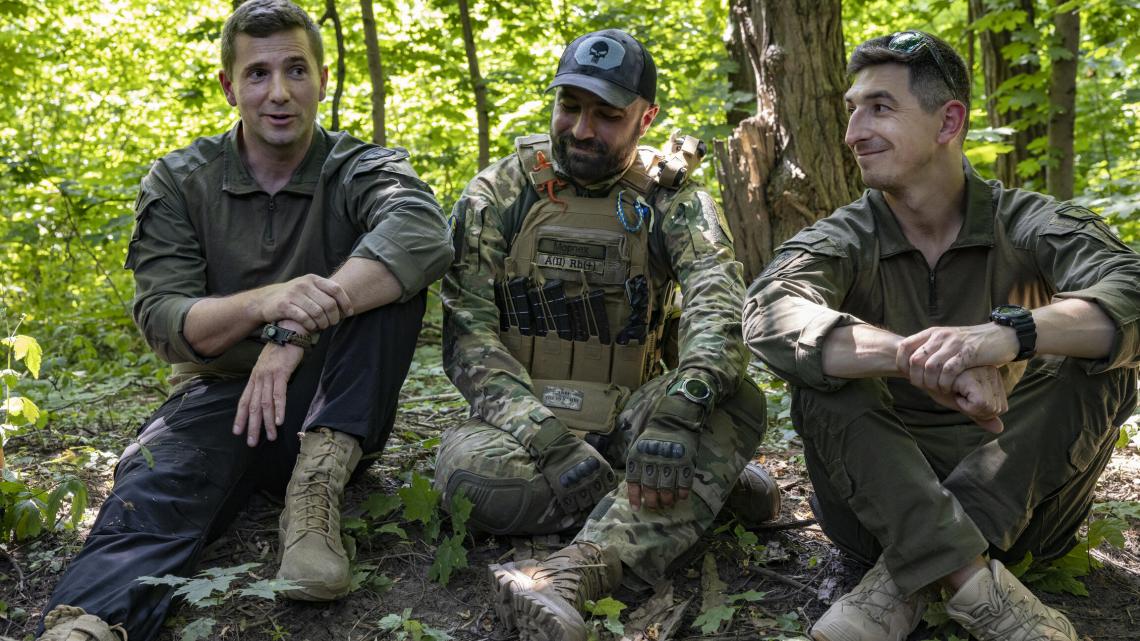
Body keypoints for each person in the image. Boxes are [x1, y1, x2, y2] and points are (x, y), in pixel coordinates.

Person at [32, 2, 452, 639]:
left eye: (295, 70)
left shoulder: (361, 169)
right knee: (159, 486)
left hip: (335, 401)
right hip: (226, 399)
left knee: (389, 282)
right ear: (230, 86)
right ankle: (88, 622)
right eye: (257, 74)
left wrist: (293, 332)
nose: (278, 93)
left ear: (323, 77)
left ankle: (314, 498)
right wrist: (268, 301)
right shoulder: (181, 181)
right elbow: (167, 320)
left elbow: (422, 232)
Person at [743, 30, 1140, 641]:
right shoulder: (844, 236)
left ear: (948, 121)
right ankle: (973, 584)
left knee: (1096, 362)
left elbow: (1130, 286)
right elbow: (770, 311)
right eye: (852, 110)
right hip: (870, 505)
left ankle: (900, 582)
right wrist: (914, 355)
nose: (853, 132)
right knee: (824, 374)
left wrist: (1008, 336)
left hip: (1026, 501)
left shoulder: (1029, 222)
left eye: (879, 107)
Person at [436, 29, 779, 641]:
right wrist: (547, 438)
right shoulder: (500, 192)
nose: (582, 130)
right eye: (569, 107)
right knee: (476, 486)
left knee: (735, 401)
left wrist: (680, 409)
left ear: (645, 119)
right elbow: (469, 338)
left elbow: (717, 305)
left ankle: (579, 571)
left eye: (606, 115)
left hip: (634, 421)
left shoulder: (674, 201)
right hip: (516, 423)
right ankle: (696, 491)